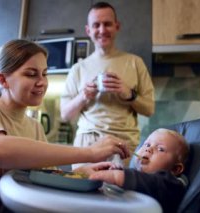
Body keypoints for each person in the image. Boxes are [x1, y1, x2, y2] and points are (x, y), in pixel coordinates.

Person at [0, 39, 130, 212]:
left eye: (44, 74)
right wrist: (89, 152)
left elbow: (46, 175)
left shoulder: (35, 127)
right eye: (31, 74)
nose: (42, 82)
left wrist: (79, 173)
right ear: (3, 79)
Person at [60, 2, 155, 169]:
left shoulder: (135, 62)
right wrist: (83, 96)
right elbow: (65, 115)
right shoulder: (78, 69)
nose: (102, 30)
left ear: (117, 26)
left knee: (123, 194)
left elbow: (149, 109)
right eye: (96, 25)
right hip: (87, 143)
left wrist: (129, 94)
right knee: (84, 193)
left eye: (107, 24)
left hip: (125, 146)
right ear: (88, 30)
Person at [83, 128, 190, 213]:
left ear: (175, 169)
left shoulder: (172, 184)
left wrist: (117, 176)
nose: (148, 149)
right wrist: (118, 173)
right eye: (147, 144)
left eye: (160, 149)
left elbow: (152, 183)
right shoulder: (136, 174)